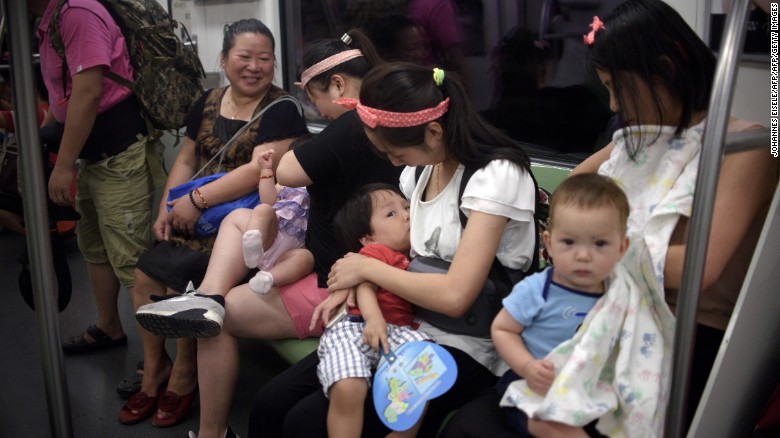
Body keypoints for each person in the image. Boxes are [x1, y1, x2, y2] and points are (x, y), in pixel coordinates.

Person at [130, 29, 398, 438]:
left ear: (339, 86)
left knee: (221, 316)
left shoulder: (352, 126)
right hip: (330, 264)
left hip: (341, 282)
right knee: (223, 298)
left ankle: (212, 428)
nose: (317, 110)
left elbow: (287, 172)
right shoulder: (387, 122)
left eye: (316, 98)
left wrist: (267, 165)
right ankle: (208, 299)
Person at [249, 62, 538, 437]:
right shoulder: (417, 173)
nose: (390, 161)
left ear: (433, 131)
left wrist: (365, 271)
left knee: (308, 422)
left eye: (394, 152)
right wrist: (354, 287)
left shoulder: (495, 177)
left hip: (473, 342)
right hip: (407, 323)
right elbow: (398, 257)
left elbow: (455, 296)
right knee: (270, 403)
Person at [568, 0, 777, 430]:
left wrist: (586, 252)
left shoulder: (749, 147)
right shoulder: (639, 140)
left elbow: (700, 268)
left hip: (693, 332)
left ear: (663, 71)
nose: (612, 106)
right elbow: (574, 189)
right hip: (619, 311)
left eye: (618, 89)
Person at [119, 18, 308, 428]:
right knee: (144, 277)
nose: (254, 66)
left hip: (246, 222)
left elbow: (260, 168)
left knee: (185, 279)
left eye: (265, 59)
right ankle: (155, 369)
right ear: (223, 59)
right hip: (190, 215)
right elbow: (187, 158)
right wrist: (166, 209)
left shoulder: (282, 108)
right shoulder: (206, 101)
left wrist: (195, 200)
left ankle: (185, 373)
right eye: (244, 56)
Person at [27, 0, 162, 353]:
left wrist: (62, 165)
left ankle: (157, 363)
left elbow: (87, 93)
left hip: (119, 154)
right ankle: (109, 326)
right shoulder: (49, 21)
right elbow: (63, 96)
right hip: (91, 155)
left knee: (130, 260)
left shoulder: (77, 13)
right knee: (96, 248)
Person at [491, 173, 629, 438]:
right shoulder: (538, 290)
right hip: (534, 382)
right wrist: (528, 366)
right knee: (553, 426)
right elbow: (502, 330)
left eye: (600, 243)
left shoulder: (621, 294)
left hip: (589, 386)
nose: (583, 255)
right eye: (569, 242)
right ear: (549, 243)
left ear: (622, 248)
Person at [316, 182, 431, 438]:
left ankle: (402, 434)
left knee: (426, 365)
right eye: (391, 214)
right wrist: (374, 318)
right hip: (359, 327)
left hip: (397, 332)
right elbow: (365, 286)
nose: (407, 214)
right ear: (369, 238)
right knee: (349, 386)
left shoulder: (413, 255)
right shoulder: (377, 251)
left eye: (406, 206)